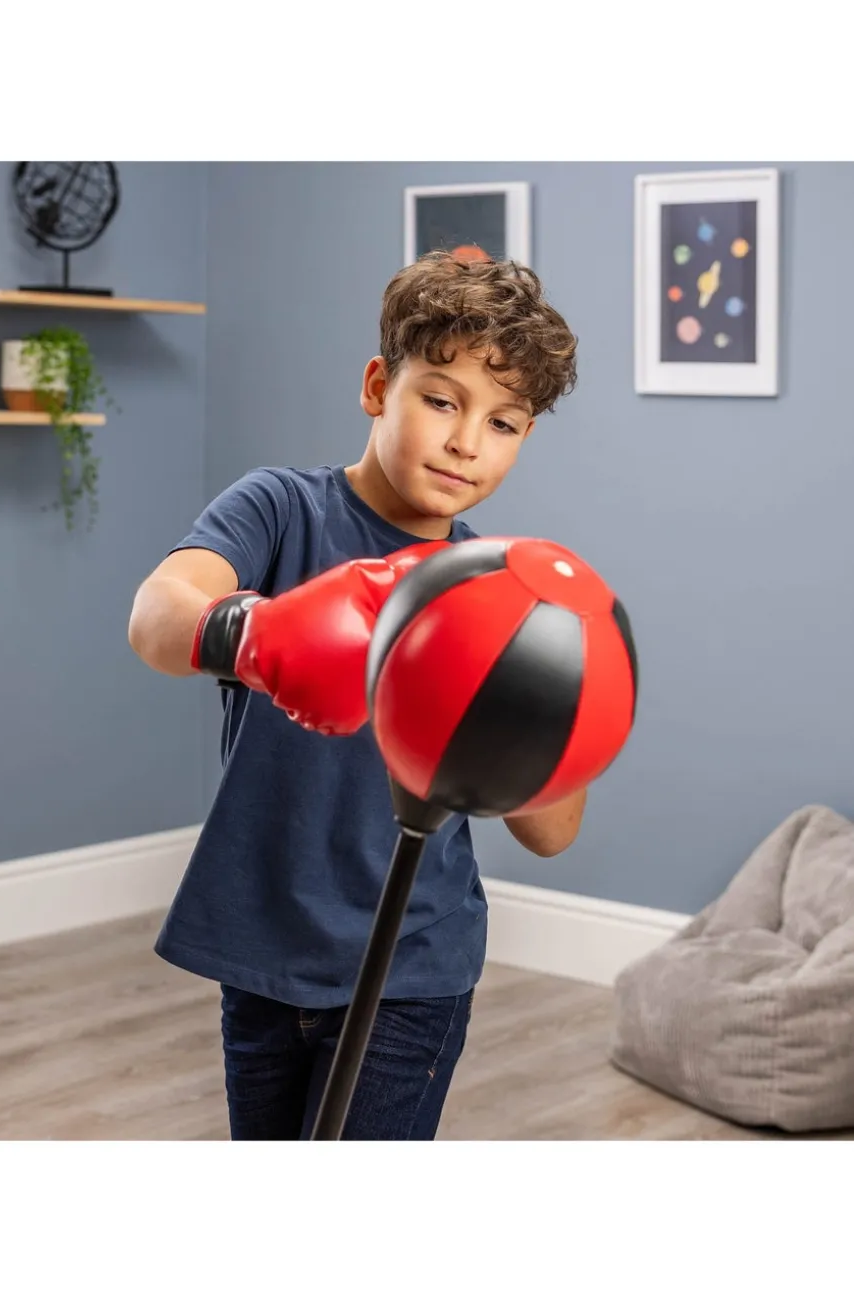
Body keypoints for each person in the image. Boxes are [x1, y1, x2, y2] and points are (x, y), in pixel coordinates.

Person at [127, 250, 584, 1141]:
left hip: (412, 964)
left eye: (502, 422)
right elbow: (156, 616)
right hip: (262, 952)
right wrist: (265, 635)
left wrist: (520, 706)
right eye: (442, 400)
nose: (467, 442)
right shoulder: (280, 510)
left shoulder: (495, 595)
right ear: (379, 386)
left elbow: (553, 831)